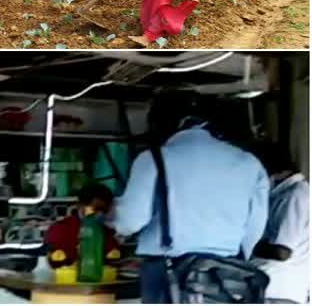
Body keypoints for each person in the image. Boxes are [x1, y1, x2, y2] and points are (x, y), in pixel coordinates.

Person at [109, 90, 269, 303]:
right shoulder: (248, 162)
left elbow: (130, 220)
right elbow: (254, 228)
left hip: (169, 271)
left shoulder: (154, 159)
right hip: (228, 272)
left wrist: (112, 218)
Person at [252, 145, 309, 304]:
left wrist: (249, 244)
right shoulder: (285, 194)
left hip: (279, 288)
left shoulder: (295, 196)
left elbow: (282, 252)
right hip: (275, 286)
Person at [45, 182, 121, 265]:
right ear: (80, 205)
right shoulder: (59, 230)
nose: (100, 214)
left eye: (104, 210)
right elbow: (54, 260)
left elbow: (113, 259)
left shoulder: (107, 232)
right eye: (96, 209)